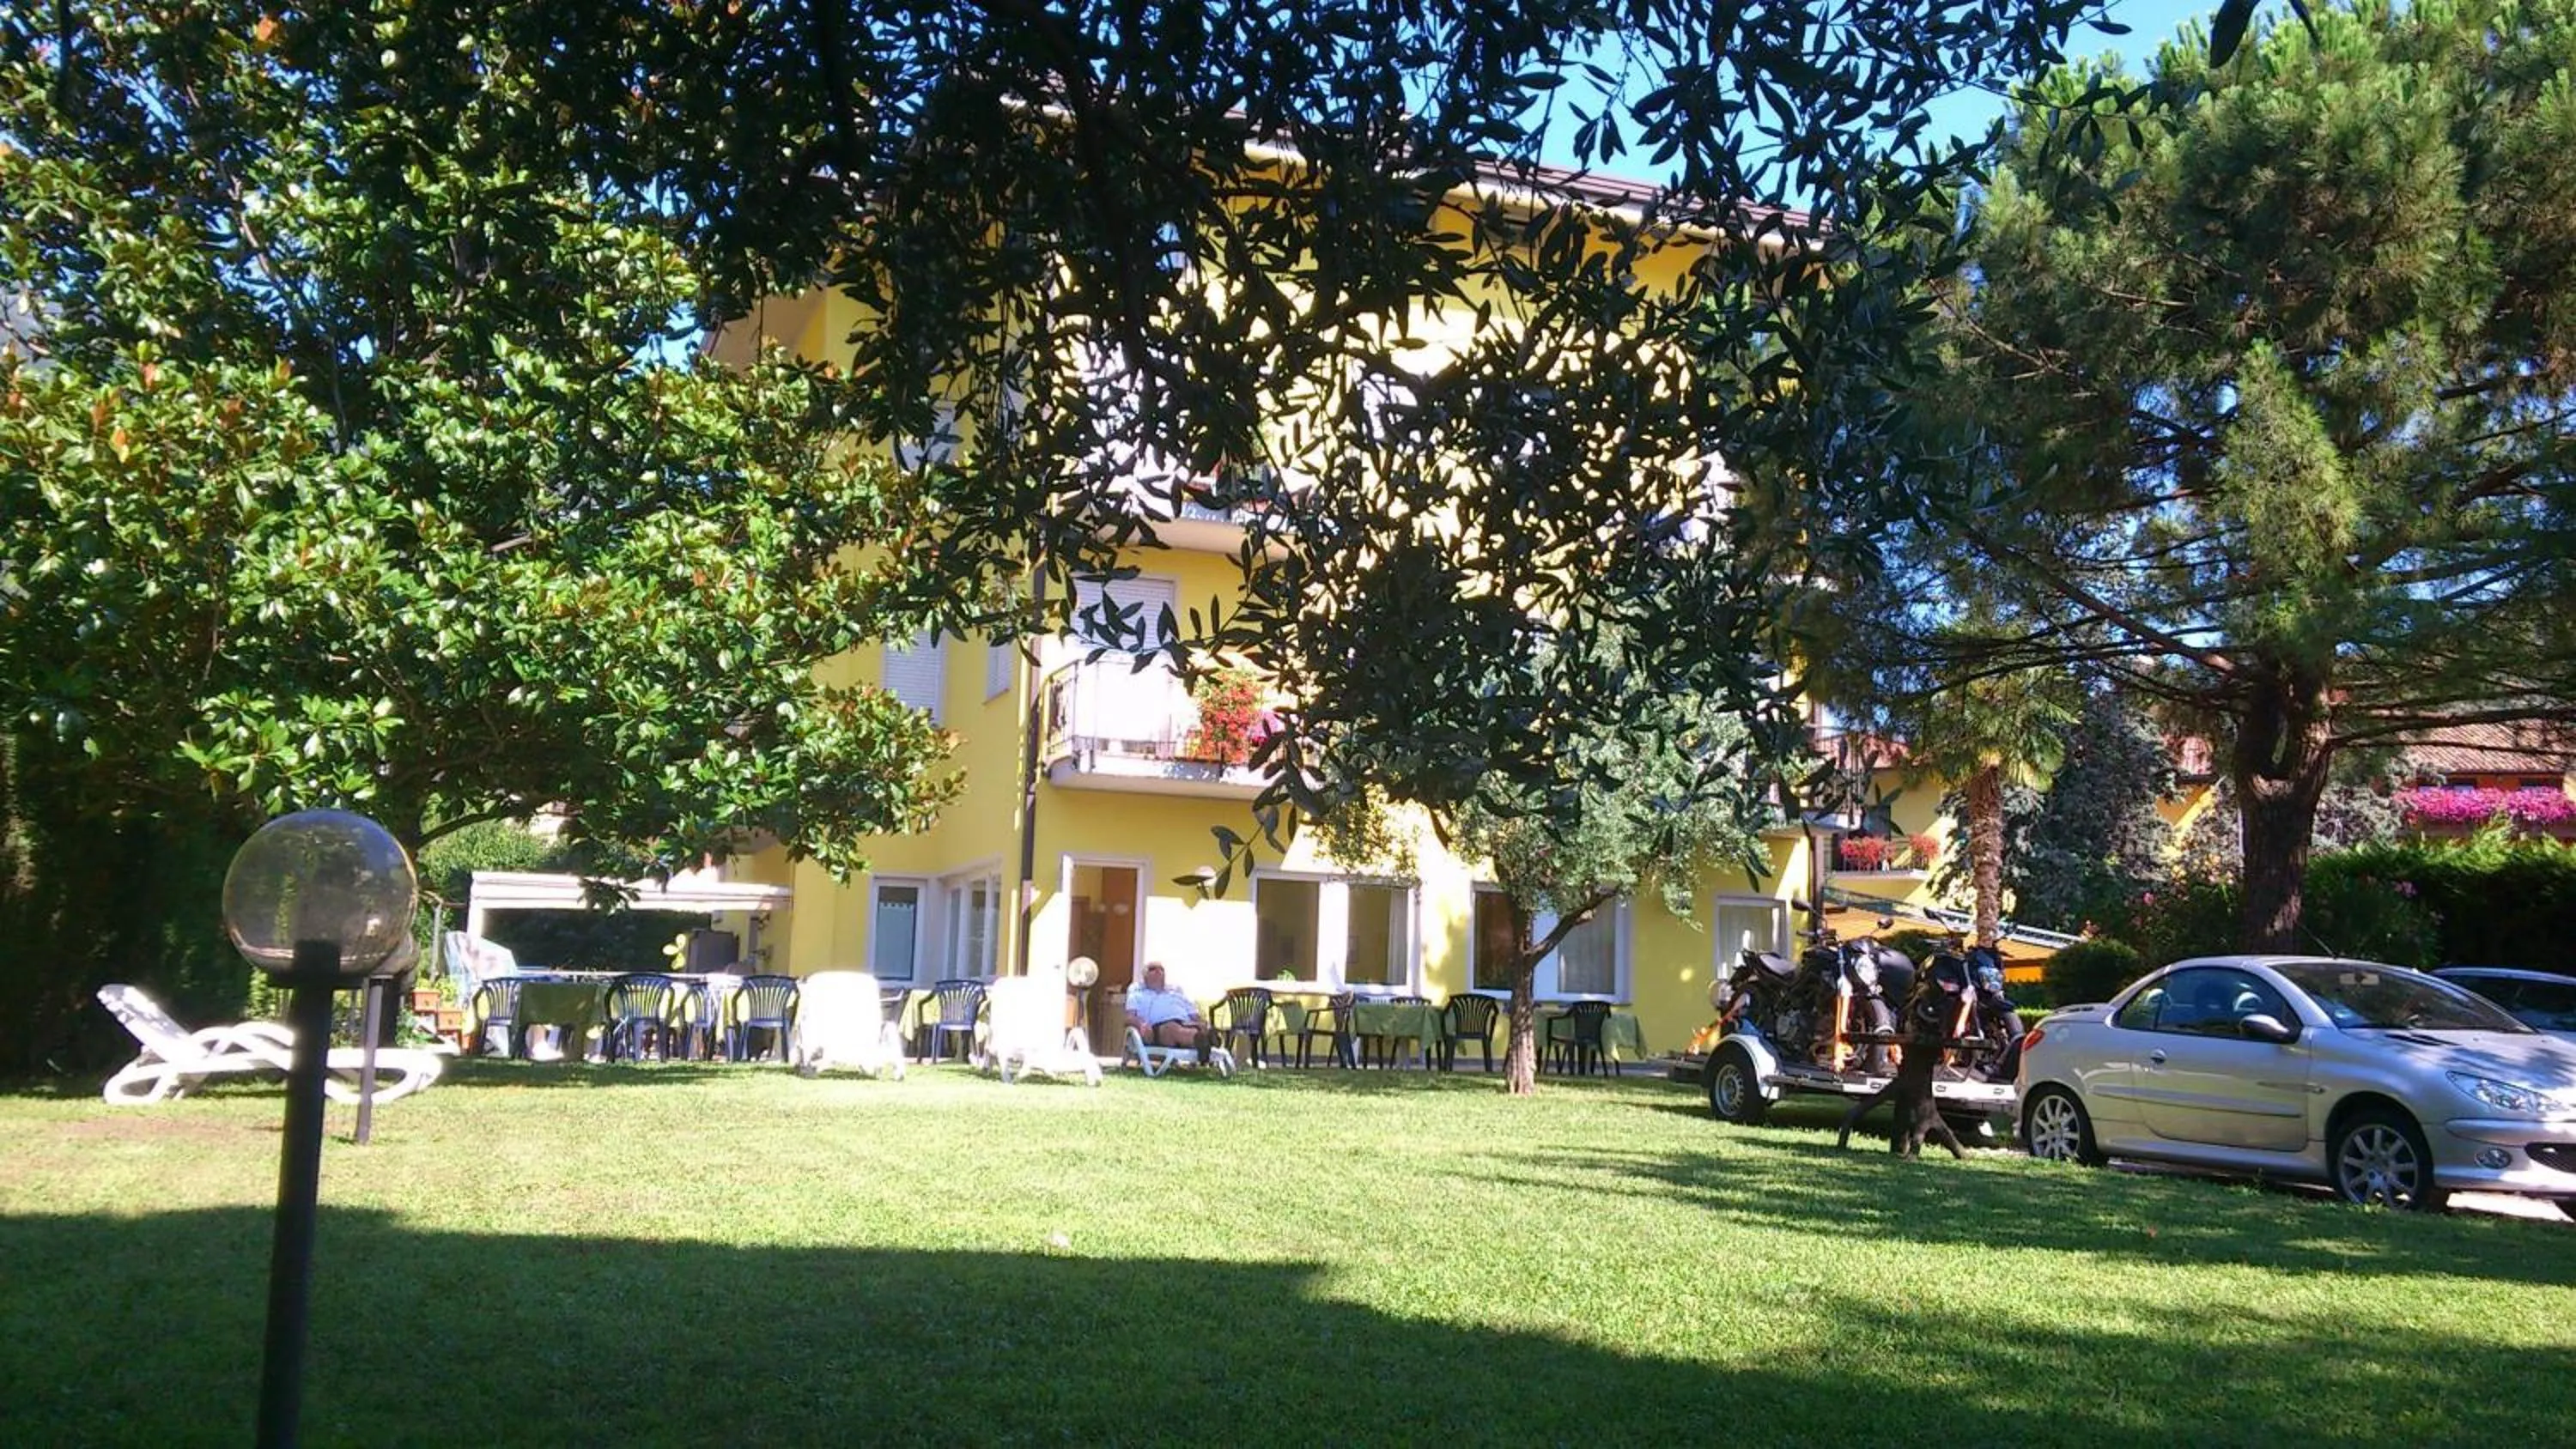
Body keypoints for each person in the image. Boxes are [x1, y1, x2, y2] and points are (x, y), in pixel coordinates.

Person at [1123, 962, 1210, 1061]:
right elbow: (1129, 1018)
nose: (1158, 971)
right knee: (1172, 1028)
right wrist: (1141, 1024)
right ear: (1144, 976)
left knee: (1194, 1027)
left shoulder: (1176, 993)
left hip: (1185, 1024)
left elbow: (1195, 1016)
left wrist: (1202, 1023)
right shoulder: (1138, 994)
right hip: (1157, 1029)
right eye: (1152, 969)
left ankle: (1202, 1039)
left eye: (1161, 969)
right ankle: (1205, 1040)